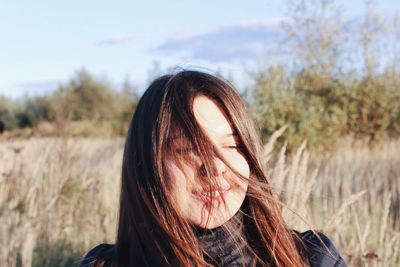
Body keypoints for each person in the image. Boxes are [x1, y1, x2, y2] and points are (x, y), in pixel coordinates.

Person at [80, 70, 347, 267]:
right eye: (189, 149)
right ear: (148, 165)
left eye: (232, 147)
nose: (216, 168)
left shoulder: (312, 257)